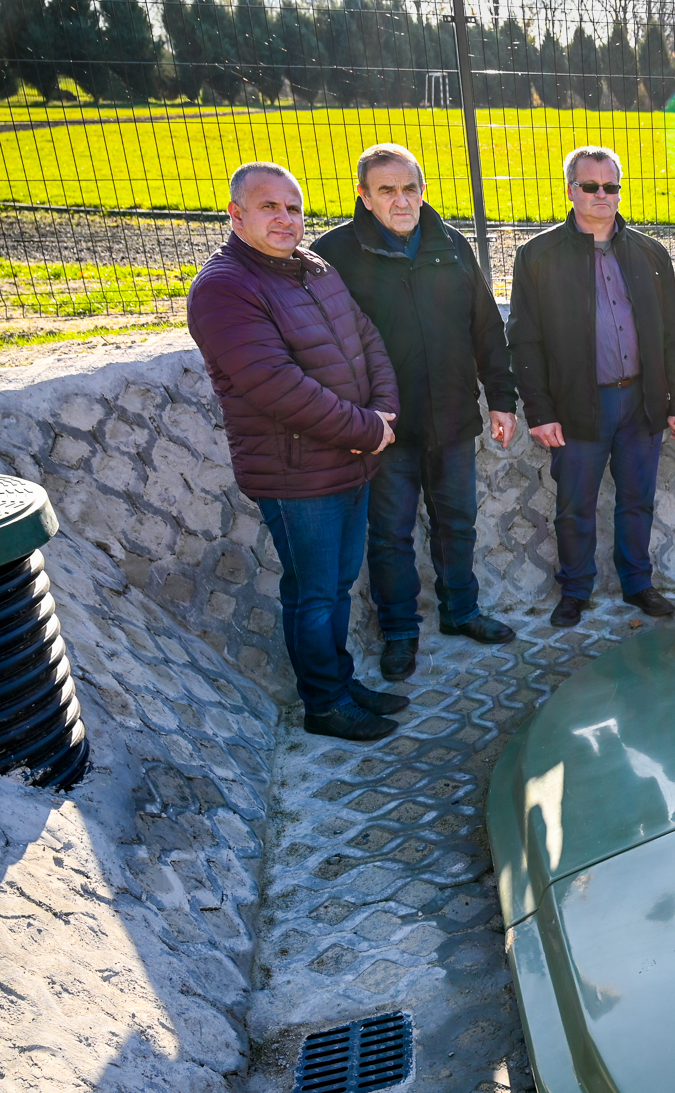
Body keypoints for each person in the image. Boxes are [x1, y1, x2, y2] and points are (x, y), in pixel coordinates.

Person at [187, 162, 407, 741]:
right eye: (270, 207)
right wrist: (366, 428)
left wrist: (382, 412)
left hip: (349, 459)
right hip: (296, 475)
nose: (286, 218)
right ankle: (325, 704)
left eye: (293, 207)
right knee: (313, 596)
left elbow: (367, 338)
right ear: (236, 214)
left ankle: (340, 684)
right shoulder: (224, 288)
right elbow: (276, 386)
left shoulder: (313, 266)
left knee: (335, 588)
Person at [313, 143, 519, 681]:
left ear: (423, 190)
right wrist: (349, 418)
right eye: (387, 190)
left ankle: (461, 611)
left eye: (410, 188)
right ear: (364, 196)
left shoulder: (450, 243)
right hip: (383, 429)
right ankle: (401, 632)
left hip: (452, 417)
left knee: (458, 524)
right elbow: (319, 344)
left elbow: (485, 326)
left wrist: (501, 397)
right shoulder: (333, 254)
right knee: (390, 535)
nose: (401, 200)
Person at [509, 146, 675, 627]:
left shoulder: (650, 253)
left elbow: (674, 333)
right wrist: (540, 411)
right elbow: (525, 340)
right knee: (575, 507)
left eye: (610, 186)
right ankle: (575, 590)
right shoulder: (538, 256)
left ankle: (637, 584)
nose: (601, 195)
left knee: (637, 500)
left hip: (641, 401)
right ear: (570, 191)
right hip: (577, 406)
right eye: (590, 186)